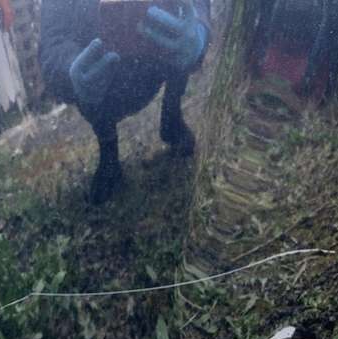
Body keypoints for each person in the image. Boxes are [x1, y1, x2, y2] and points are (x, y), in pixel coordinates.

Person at [40, 0, 211, 204]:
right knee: (89, 76)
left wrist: (199, 27)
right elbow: (53, 42)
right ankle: (108, 152)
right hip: (104, 74)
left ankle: (172, 116)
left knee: (177, 27)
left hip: (159, 54)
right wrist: (69, 67)